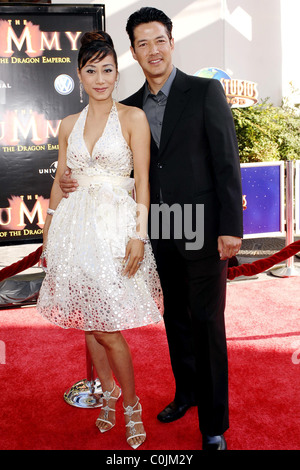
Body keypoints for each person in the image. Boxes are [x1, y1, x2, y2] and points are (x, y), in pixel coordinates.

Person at [60, 7, 243, 450]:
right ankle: (186, 394)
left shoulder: (204, 92)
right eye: (142, 43)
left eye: (158, 40)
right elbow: (129, 174)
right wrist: (72, 179)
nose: (152, 50)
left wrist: (230, 228)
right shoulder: (132, 108)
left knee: (207, 323)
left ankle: (214, 423)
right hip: (156, 230)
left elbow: (226, 161)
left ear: (171, 41)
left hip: (202, 228)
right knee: (175, 320)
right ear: (134, 53)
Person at [37, 30, 163, 450]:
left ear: (117, 71)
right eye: (91, 69)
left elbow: (143, 179)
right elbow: (61, 180)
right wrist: (48, 228)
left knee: (109, 326)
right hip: (74, 231)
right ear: (79, 74)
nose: (101, 78)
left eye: (107, 69)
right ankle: (107, 391)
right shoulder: (68, 124)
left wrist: (139, 234)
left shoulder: (132, 118)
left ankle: (131, 404)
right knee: (90, 321)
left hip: (114, 230)